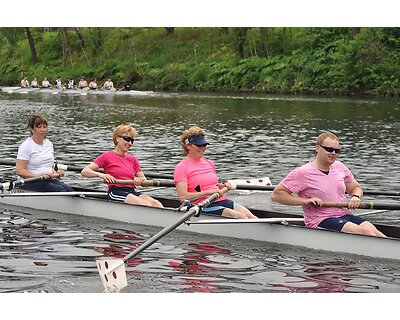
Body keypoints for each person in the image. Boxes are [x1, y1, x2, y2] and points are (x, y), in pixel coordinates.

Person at [271, 131, 386, 237]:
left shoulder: (339, 167)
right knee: (366, 232)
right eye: (329, 149)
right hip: (320, 220)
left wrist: (355, 197)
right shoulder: (303, 172)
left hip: (344, 214)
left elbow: (356, 188)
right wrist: (305, 201)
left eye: (336, 150)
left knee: (375, 232)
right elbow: (277, 195)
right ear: (318, 148)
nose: (333, 153)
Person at [173, 126, 257, 219]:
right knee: (240, 216)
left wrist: (223, 186)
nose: (203, 148)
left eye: (204, 145)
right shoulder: (181, 168)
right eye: (199, 145)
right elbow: (183, 197)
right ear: (188, 146)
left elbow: (212, 185)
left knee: (251, 216)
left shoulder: (209, 163)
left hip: (220, 200)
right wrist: (208, 192)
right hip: (201, 206)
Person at [81, 124, 163, 208]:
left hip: (131, 191)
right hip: (115, 191)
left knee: (156, 203)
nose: (130, 143)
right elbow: (85, 171)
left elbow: (144, 181)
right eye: (127, 139)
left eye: (132, 140)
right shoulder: (107, 156)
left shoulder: (133, 159)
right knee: (145, 204)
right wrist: (101, 175)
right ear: (117, 139)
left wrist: (140, 180)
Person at [16, 114, 72, 192]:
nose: (43, 130)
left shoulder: (48, 144)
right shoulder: (26, 146)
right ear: (32, 129)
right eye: (39, 127)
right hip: (30, 181)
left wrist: (56, 173)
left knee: (69, 190)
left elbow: (47, 165)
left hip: (47, 179)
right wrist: (41, 176)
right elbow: (20, 171)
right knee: (60, 190)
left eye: (45, 127)